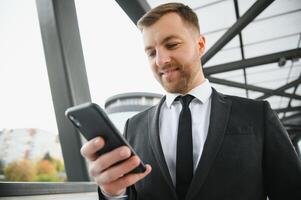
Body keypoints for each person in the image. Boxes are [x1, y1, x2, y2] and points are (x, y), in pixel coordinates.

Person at [80, 3, 301, 200]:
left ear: (201, 45)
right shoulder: (133, 127)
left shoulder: (256, 114)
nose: (161, 60)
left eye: (172, 45)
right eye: (150, 52)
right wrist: (113, 193)